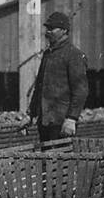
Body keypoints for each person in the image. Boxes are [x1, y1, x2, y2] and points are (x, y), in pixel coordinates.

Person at [28, 11, 89, 143]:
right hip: (45, 121)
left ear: (64, 31)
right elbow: (39, 87)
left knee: (61, 161)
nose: (48, 32)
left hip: (62, 122)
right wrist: (32, 114)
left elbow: (80, 91)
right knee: (46, 160)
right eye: (47, 28)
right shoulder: (48, 55)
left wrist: (72, 118)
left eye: (51, 29)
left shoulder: (74, 55)